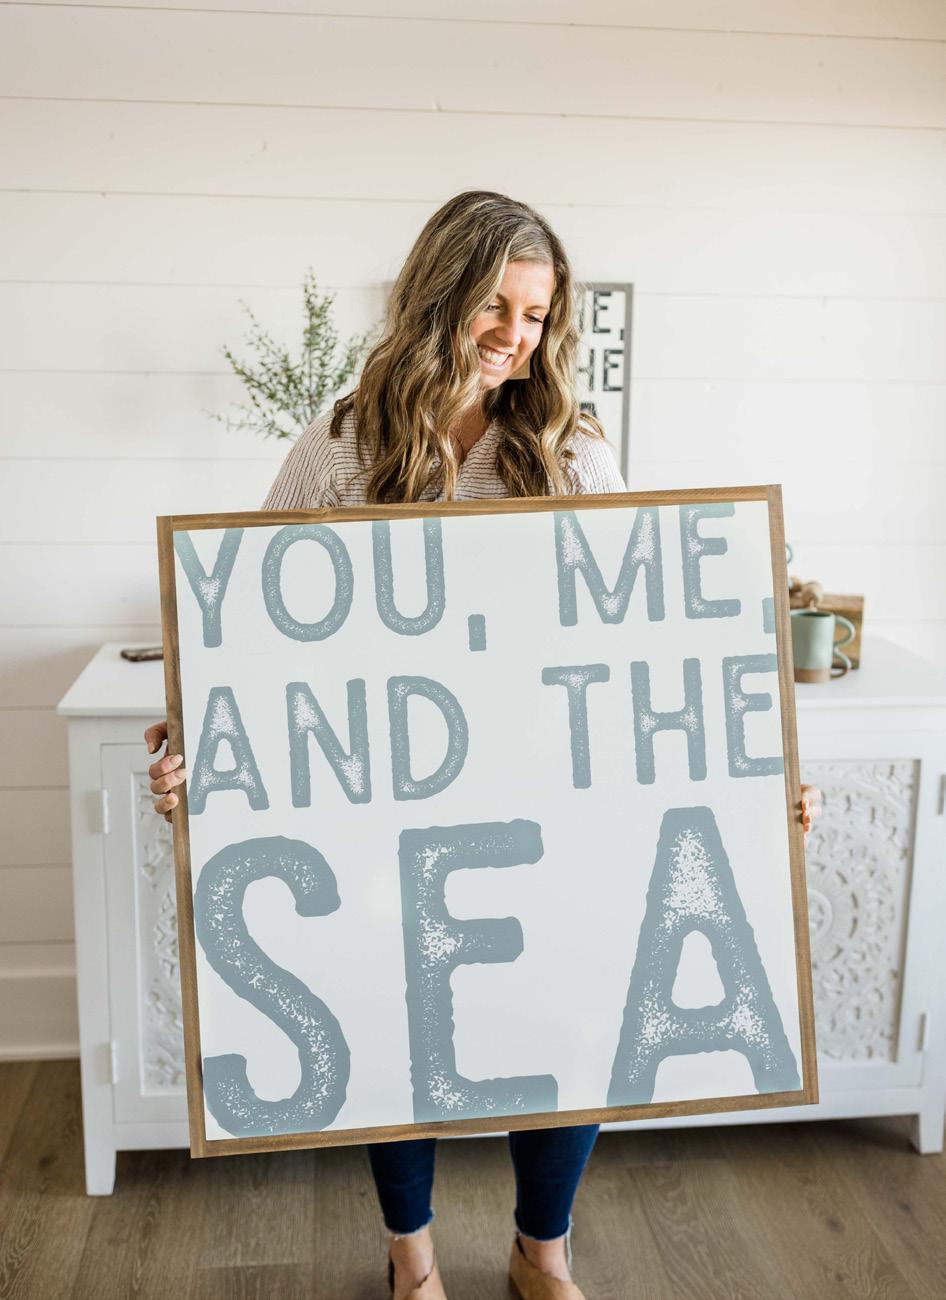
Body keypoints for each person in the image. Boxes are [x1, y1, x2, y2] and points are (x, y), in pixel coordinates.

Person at [145, 190, 824, 1300]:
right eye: (496, 306)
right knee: (389, 1011)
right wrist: (201, 740)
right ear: (440, 294)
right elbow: (250, 623)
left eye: (538, 314)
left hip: (550, 790)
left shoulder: (570, 448)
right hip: (389, 802)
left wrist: (751, 780)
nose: (516, 335)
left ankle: (540, 1250)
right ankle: (410, 1256)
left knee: (572, 1004)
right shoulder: (341, 446)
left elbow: (645, 642)